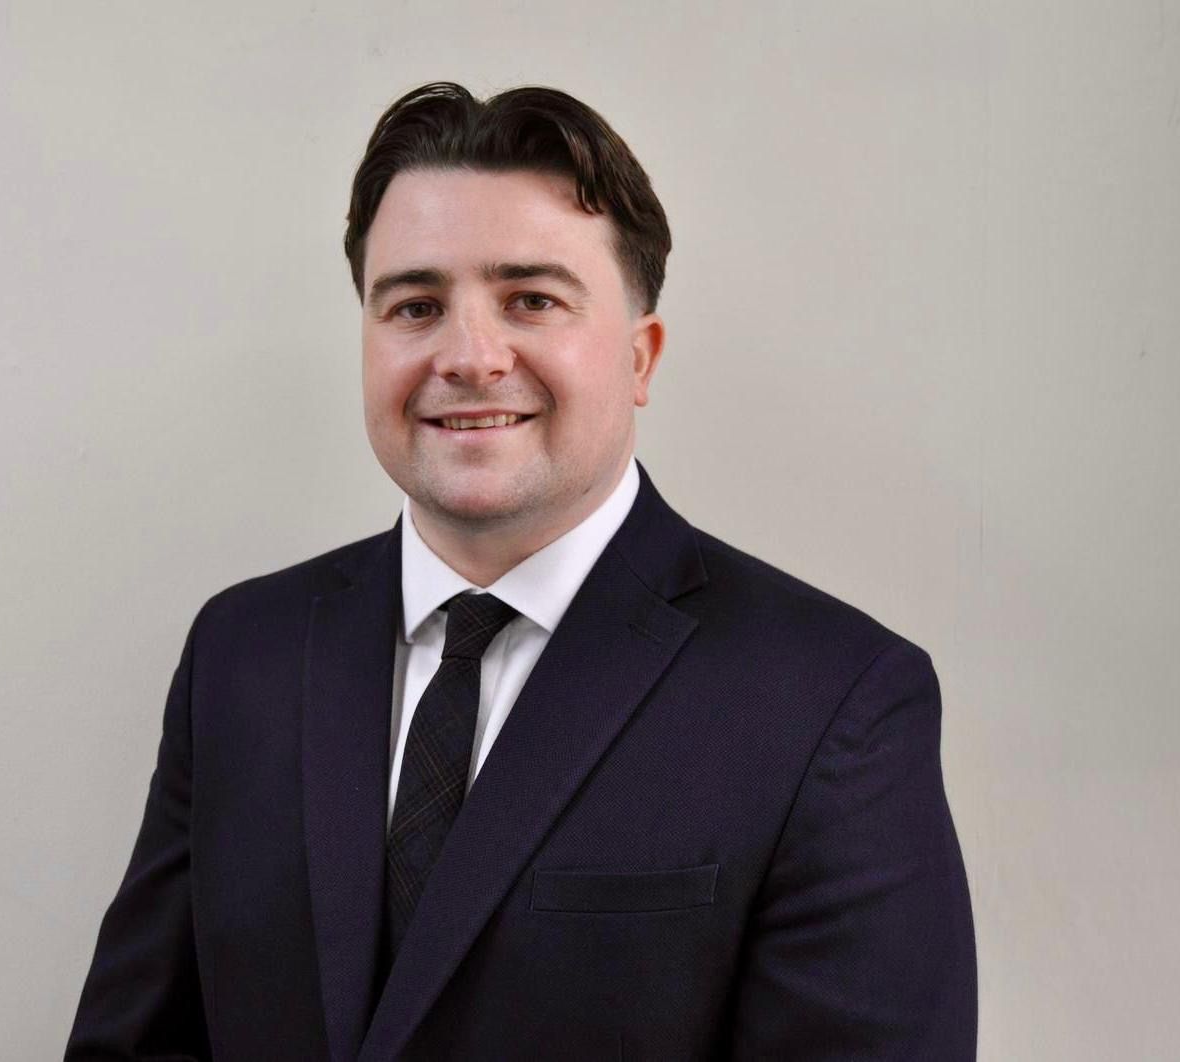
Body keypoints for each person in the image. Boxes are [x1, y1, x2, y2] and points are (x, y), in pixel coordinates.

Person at [66, 82, 977, 1061]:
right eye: (416, 305)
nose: (469, 356)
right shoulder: (242, 654)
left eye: (531, 300)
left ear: (640, 357)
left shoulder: (829, 699)